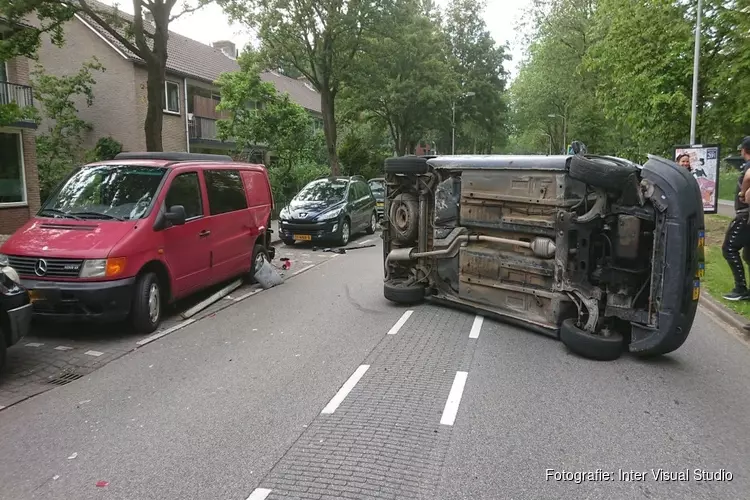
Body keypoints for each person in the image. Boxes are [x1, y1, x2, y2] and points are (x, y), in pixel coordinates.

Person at [722, 136, 750, 300]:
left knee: (729, 248)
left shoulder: (748, 165)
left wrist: (742, 192)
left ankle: (741, 288)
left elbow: (748, 176)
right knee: (748, 255)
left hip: (745, 215)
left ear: (744, 150)